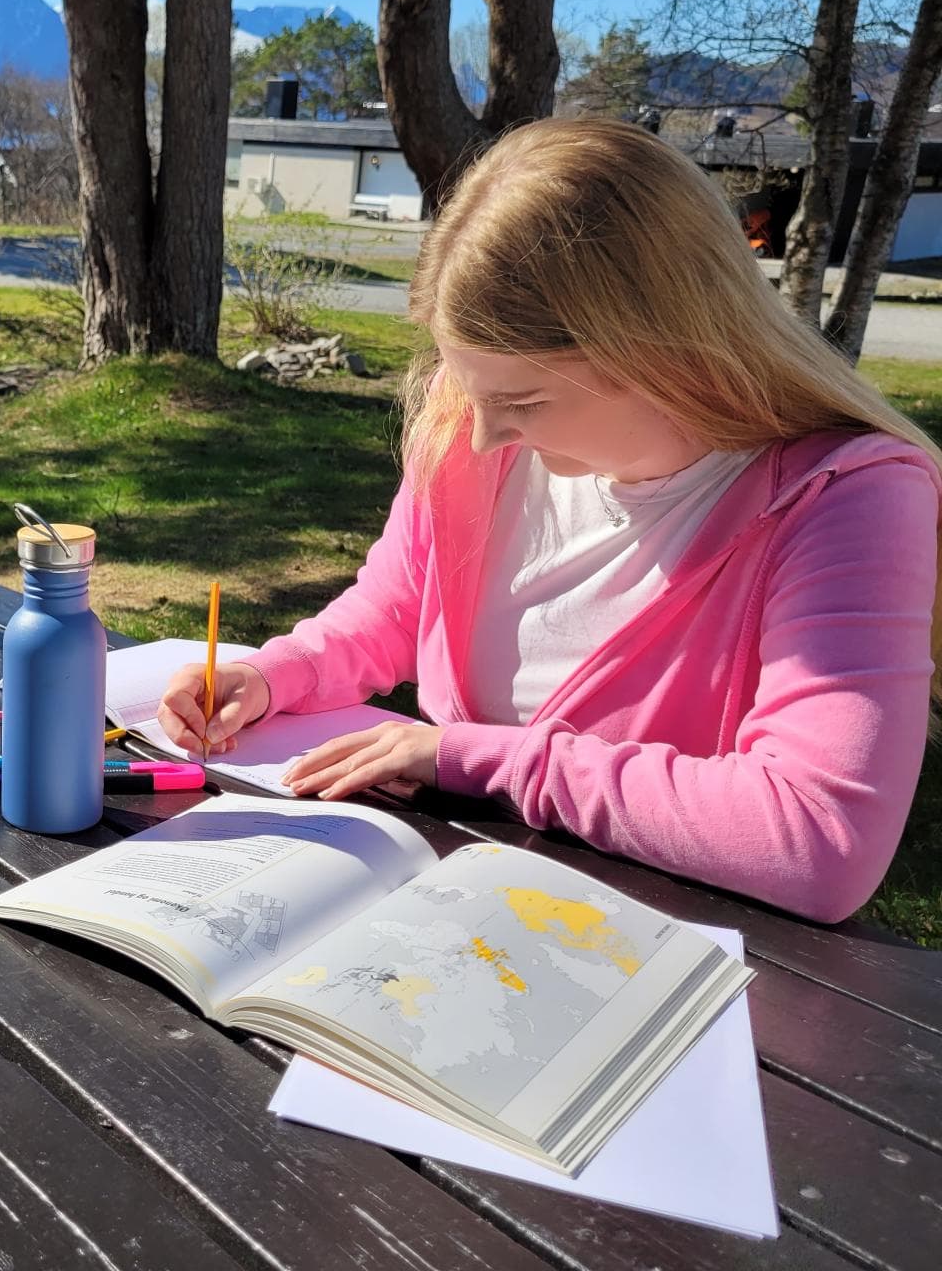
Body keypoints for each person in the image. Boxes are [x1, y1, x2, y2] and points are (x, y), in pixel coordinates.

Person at [158, 117, 941, 925]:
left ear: (661, 346)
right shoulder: (465, 427)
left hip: (669, 962)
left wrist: (476, 760)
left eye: (522, 402)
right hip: (447, 905)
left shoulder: (848, 495)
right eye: (473, 392)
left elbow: (819, 838)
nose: (486, 434)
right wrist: (272, 676)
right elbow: (394, 609)